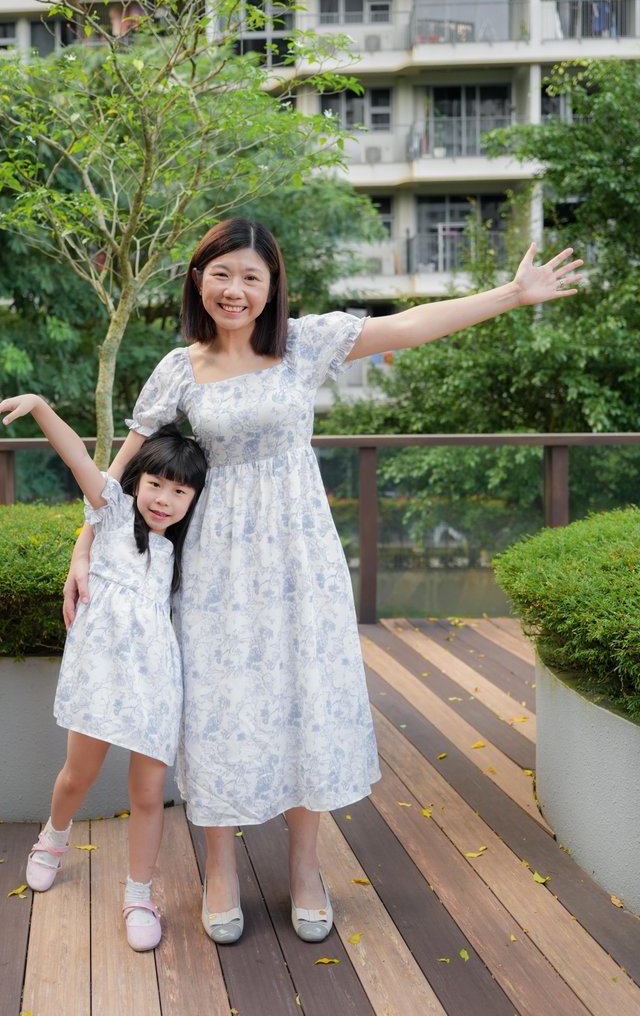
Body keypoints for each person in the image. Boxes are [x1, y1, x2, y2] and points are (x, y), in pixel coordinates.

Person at [63, 219, 583, 946]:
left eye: (251, 276)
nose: (235, 290)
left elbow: (411, 325)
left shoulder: (303, 345)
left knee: (304, 694)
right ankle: (221, 867)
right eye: (221, 274)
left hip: (299, 554)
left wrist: (511, 294)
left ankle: (306, 866)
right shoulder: (180, 368)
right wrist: (84, 545)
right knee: (216, 702)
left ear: (272, 285)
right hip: (216, 561)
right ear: (198, 281)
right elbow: (119, 469)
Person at [0, 395, 207, 951]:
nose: (164, 499)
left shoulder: (187, 548)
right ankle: (53, 838)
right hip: (101, 672)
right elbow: (77, 457)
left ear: (194, 499)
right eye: (156, 484)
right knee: (77, 775)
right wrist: (39, 407)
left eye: (180, 492)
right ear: (137, 482)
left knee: (148, 793)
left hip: (154, 680)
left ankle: (139, 895)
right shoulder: (111, 514)